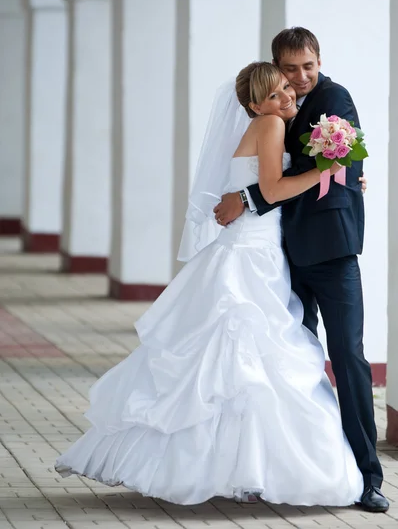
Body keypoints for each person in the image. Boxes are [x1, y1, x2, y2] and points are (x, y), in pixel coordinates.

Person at [55, 62, 364, 507]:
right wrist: (327, 167)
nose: (286, 99)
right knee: (247, 361)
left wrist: (345, 175)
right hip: (252, 254)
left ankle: (221, 467)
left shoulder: (265, 125)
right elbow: (273, 191)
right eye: (276, 93)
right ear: (255, 104)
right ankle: (241, 469)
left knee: (239, 365)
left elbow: (260, 189)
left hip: (252, 246)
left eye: (285, 90)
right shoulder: (272, 125)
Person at [214, 28, 388, 513]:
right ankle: (301, 468)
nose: (300, 78)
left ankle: (368, 477)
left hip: (332, 252)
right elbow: (281, 168)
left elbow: (340, 167)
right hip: (280, 255)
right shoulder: (274, 106)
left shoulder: (335, 97)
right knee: (295, 362)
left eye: (308, 66)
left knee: (348, 357)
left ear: (318, 61)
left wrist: (247, 197)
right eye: (290, 69)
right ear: (276, 67)